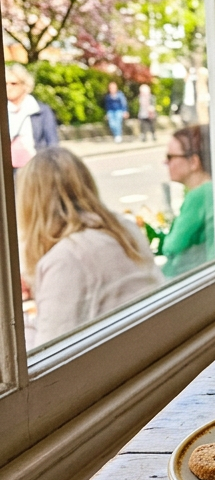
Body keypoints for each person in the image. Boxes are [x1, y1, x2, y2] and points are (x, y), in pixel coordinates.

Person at [16, 147, 162, 348]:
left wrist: (22, 322)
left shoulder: (65, 259)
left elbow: (45, 354)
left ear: (29, 204)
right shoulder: (125, 229)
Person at [161, 125, 215, 278]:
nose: (165, 162)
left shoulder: (199, 195)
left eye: (170, 157)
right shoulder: (212, 188)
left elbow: (171, 246)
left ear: (193, 162)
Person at [6, 63, 59, 171]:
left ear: (25, 85)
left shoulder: (41, 110)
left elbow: (53, 144)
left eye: (13, 83)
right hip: (9, 171)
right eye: (5, 83)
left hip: (36, 169)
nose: (8, 88)